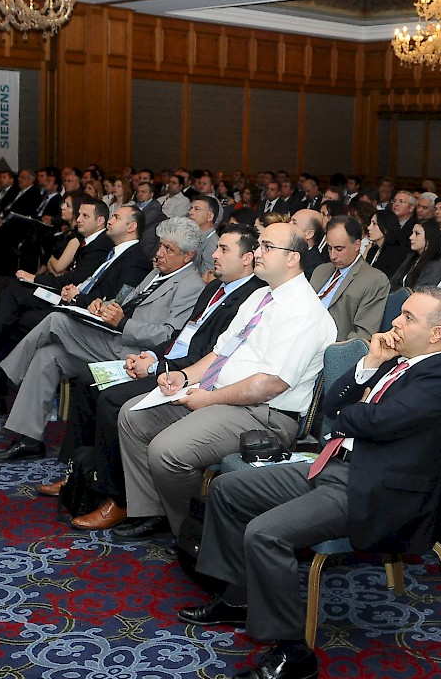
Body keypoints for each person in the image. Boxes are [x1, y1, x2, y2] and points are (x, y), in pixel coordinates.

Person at [178, 287, 441, 679]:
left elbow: (370, 422)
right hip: (336, 466)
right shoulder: (396, 362)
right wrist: (369, 364)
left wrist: (353, 415)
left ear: (436, 333)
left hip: (374, 489)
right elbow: (333, 405)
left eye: (408, 317)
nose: (396, 323)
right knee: (228, 489)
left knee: (265, 534)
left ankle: (294, 654)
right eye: (400, 314)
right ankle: (239, 597)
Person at [113, 222, 337, 539]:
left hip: (264, 415)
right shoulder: (260, 296)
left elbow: (270, 384)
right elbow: (220, 353)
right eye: (258, 245)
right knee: (133, 415)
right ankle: (154, 511)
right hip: (221, 396)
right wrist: (183, 376)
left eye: (267, 247)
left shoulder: (304, 312)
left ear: (292, 258)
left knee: (167, 451)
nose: (257, 253)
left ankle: (193, 534)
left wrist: (208, 399)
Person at [0, 217, 207, 463]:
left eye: (168, 249)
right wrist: (103, 306)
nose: (159, 253)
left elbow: (169, 335)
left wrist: (122, 323)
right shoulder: (156, 273)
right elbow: (126, 303)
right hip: (112, 340)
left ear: (188, 256)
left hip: (134, 353)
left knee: (56, 320)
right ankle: (28, 439)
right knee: (47, 355)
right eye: (160, 245)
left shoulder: (191, 286)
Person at [309, 215, 390, 342]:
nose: (333, 255)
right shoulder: (321, 271)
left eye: (339, 249)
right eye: (329, 248)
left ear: (357, 245)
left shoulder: (374, 280)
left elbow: (363, 336)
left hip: (331, 345)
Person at [390, 218, 441, 291]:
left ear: (429, 238)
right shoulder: (411, 257)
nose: (411, 237)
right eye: (412, 233)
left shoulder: (435, 264)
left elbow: (421, 290)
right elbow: (393, 281)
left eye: (417, 234)